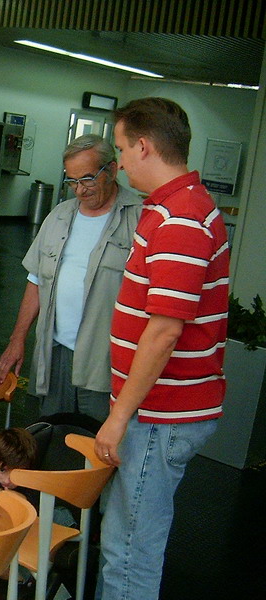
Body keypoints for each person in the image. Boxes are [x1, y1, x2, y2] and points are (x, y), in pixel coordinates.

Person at [94, 98, 229, 600]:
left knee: (129, 553)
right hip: (153, 412)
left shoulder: (181, 219)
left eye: (122, 149)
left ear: (144, 146)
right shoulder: (171, 207)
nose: (120, 162)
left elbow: (165, 331)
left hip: (158, 415)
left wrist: (119, 416)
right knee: (125, 539)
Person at [0, 134, 142, 422]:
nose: (79, 190)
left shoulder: (139, 219)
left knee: (98, 438)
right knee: (48, 432)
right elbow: (36, 280)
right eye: (72, 181)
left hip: (105, 360)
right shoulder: (59, 216)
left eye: (87, 179)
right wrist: (17, 339)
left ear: (112, 170)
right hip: (55, 353)